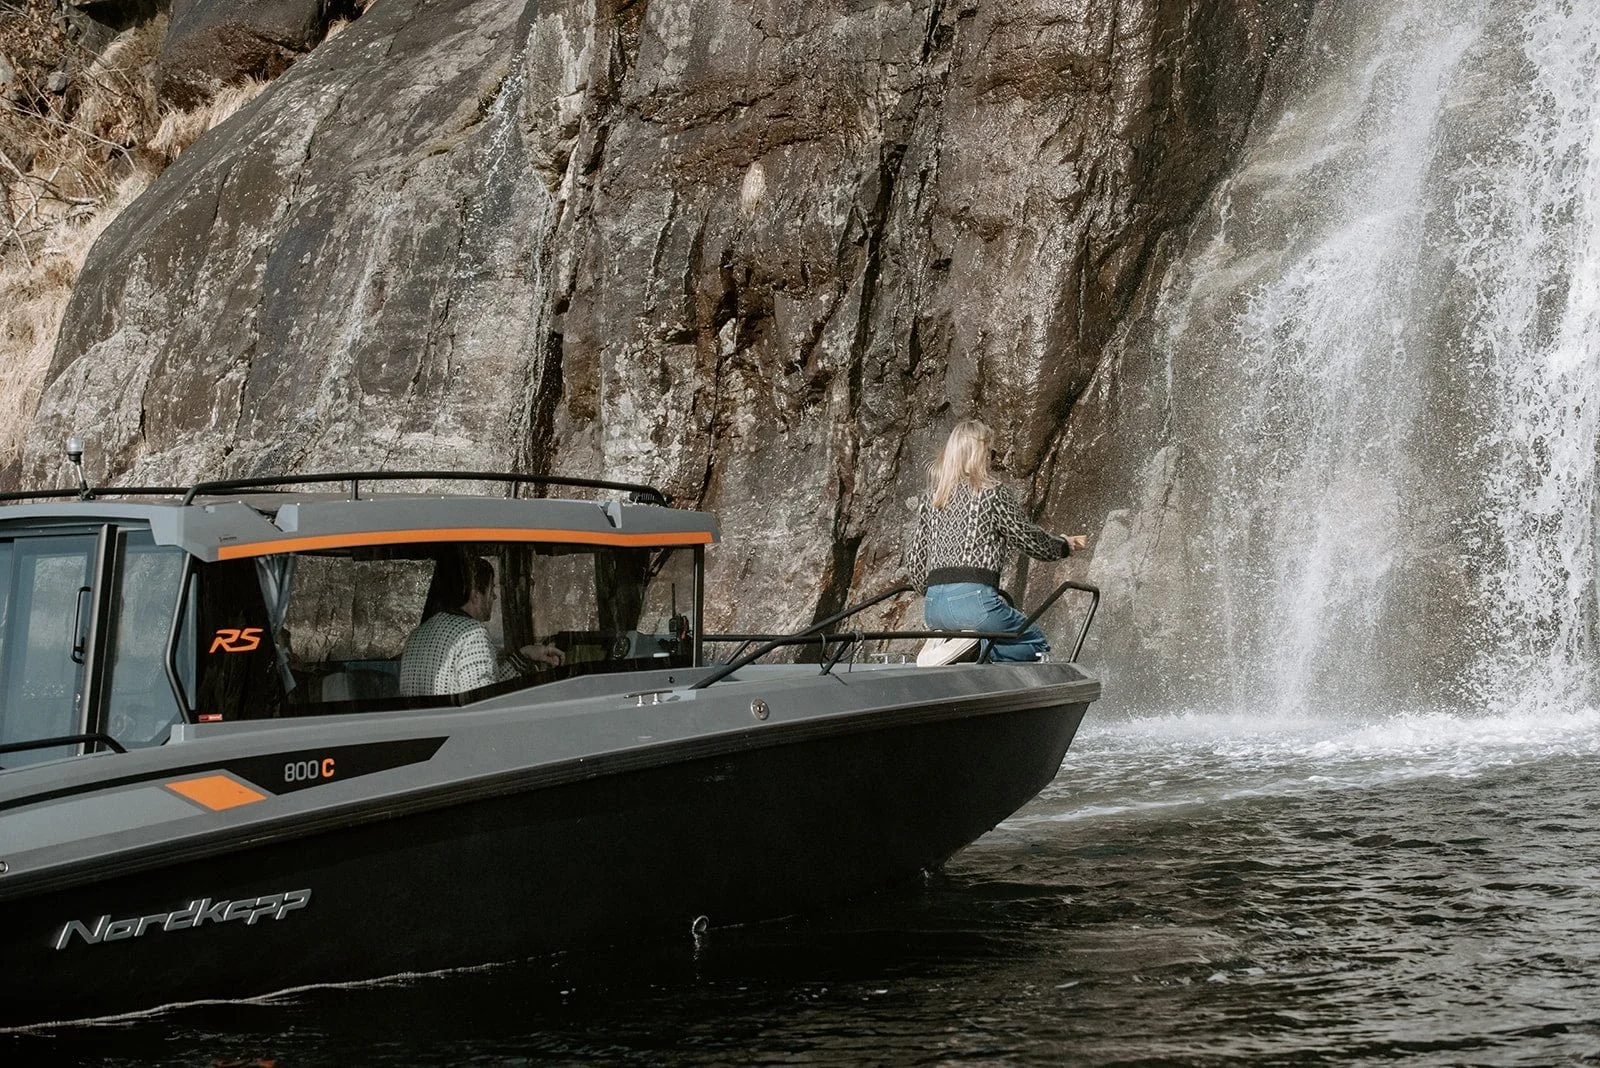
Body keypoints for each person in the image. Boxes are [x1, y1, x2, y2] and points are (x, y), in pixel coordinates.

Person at [904, 419, 1089, 661]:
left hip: (934, 609)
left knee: (990, 637)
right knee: (1034, 643)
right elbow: (1027, 538)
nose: (992, 459)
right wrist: (1063, 546)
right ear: (979, 454)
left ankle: (949, 649)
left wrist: (940, 593)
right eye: (990, 452)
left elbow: (916, 563)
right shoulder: (992, 494)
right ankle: (975, 647)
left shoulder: (933, 499)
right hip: (975, 605)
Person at [399, 553, 564, 697]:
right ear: (475, 595)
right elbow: (485, 702)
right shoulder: (472, 634)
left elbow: (485, 684)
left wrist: (523, 655)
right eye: (491, 588)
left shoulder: (417, 635)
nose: (494, 596)